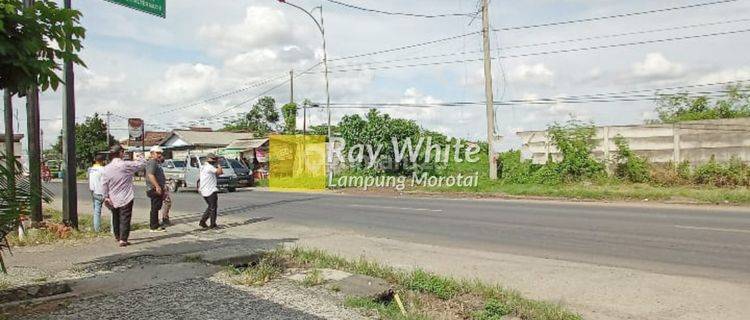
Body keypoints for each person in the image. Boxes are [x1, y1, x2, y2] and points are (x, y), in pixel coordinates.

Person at [101, 145, 147, 247]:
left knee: (115, 216)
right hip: (126, 196)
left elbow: (104, 184)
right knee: (125, 217)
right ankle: (123, 239)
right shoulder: (125, 165)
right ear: (121, 153)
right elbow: (142, 164)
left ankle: (117, 236)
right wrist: (140, 156)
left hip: (112, 196)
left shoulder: (106, 168)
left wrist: (106, 196)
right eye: (123, 152)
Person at [145, 146, 167, 232]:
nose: (159, 155)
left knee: (157, 206)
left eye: (160, 153)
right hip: (153, 188)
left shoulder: (156, 162)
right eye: (157, 153)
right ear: (152, 153)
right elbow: (150, 175)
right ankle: (154, 226)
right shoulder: (152, 162)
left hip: (157, 188)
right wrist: (157, 186)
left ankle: (155, 224)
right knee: (155, 207)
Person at [199, 153, 223, 229]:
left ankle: (202, 222)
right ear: (208, 159)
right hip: (210, 189)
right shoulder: (209, 167)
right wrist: (219, 165)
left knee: (210, 207)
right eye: (212, 159)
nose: (214, 160)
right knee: (213, 208)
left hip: (204, 189)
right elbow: (220, 172)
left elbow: (216, 174)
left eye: (215, 159)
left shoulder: (204, 167)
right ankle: (212, 224)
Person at [87, 154, 108, 233]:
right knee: (113, 211)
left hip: (95, 192)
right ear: (103, 161)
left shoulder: (91, 169)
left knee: (97, 211)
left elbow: (90, 182)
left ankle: (97, 229)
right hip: (104, 193)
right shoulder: (104, 169)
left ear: (95, 160)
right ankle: (114, 230)